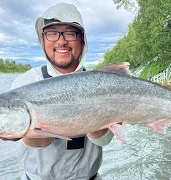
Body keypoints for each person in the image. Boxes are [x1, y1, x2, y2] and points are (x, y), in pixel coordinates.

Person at [9, 3, 114, 180]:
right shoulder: (26, 83)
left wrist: (98, 122)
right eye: (52, 33)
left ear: (82, 39)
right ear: (43, 39)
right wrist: (25, 133)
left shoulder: (102, 83)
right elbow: (42, 141)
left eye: (70, 33)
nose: (61, 41)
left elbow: (104, 140)